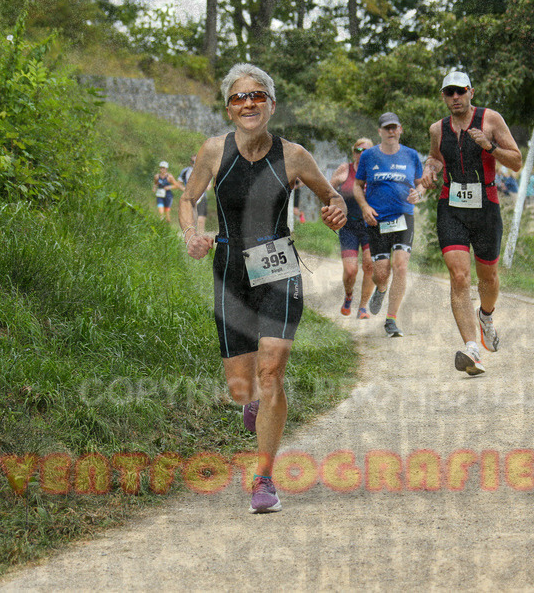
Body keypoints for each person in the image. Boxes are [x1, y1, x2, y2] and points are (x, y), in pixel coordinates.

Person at [178, 63, 346, 514]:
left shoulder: (294, 156)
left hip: (277, 264)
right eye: (239, 97)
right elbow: (187, 197)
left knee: (272, 369)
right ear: (229, 107)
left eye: (257, 96)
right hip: (230, 265)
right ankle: (252, 404)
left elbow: (332, 196)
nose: (248, 103)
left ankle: (263, 478)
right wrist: (191, 231)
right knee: (241, 386)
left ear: (271, 104)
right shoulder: (214, 151)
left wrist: (337, 209)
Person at [420, 71, 522, 376]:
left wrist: (489, 146)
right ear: (443, 96)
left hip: (486, 207)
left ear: (471, 92)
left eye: (459, 92)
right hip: (451, 205)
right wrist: (430, 170)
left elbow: (516, 160)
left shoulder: (491, 120)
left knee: (487, 277)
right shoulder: (437, 129)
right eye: (448, 93)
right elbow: (435, 157)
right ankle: (472, 349)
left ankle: (486, 316)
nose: (454, 98)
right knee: (459, 276)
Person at [354, 111, 424, 338]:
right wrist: (364, 207)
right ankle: (381, 289)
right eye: (387, 128)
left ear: (401, 129)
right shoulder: (369, 156)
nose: (391, 131)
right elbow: (357, 185)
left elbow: (421, 184)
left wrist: (418, 194)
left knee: (401, 266)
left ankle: (391, 320)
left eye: (394, 127)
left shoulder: (412, 156)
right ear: (380, 132)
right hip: (377, 220)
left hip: (404, 217)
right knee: (381, 273)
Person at [330, 138, 376, 319]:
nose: (361, 153)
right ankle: (349, 296)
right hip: (349, 226)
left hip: (370, 226)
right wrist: (332, 209)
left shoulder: (377, 171)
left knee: (369, 265)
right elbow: (327, 190)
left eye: (366, 151)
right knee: (350, 271)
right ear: (353, 152)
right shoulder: (345, 169)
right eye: (358, 150)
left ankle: (363, 307)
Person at [179, 155, 210, 234]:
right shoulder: (185, 171)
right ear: (190, 163)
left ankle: (201, 235)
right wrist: (185, 190)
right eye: (193, 162)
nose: (195, 164)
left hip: (201, 196)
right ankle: (193, 235)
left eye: (197, 162)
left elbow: (209, 186)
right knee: (192, 218)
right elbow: (178, 183)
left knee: (201, 219)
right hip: (190, 197)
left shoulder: (204, 171)